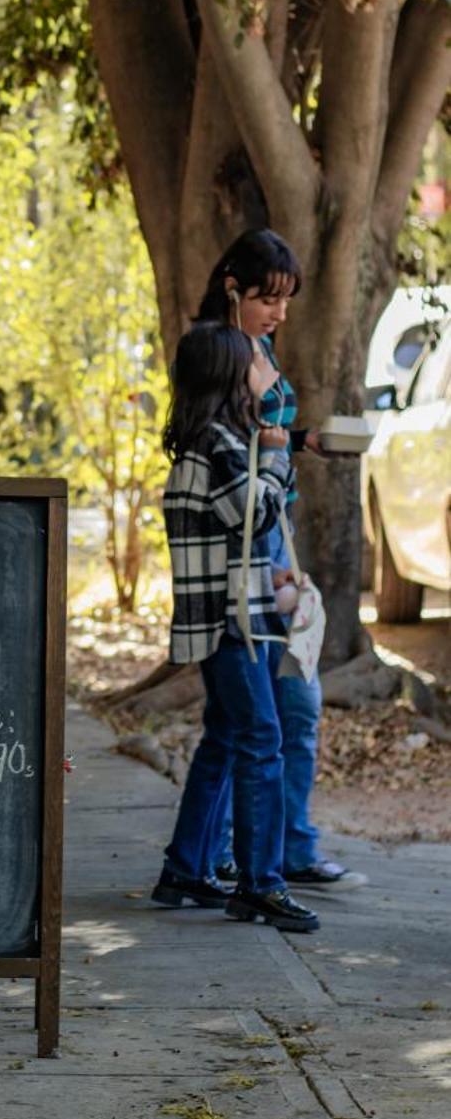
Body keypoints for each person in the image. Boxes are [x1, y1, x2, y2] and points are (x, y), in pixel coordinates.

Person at [151, 323, 320, 934]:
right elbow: (253, 514)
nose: (266, 368)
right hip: (231, 628)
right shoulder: (220, 444)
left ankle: (186, 868)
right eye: (256, 362)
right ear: (230, 376)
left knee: (225, 737)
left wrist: (274, 582)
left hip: (230, 617)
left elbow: (231, 541)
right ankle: (260, 884)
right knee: (262, 742)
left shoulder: (215, 441)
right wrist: (276, 456)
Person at [196, 230, 352, 888]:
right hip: (241, 539)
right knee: (259, 712)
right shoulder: (215, 351)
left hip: (273, 531)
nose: (279, 312)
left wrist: (301, 440)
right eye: (267, 298)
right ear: (232, 286)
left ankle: (269, 845)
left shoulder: (259, 346)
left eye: (286, 300)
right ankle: (250, 857)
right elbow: (223, 449)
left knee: (281, 703)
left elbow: (266, 440)